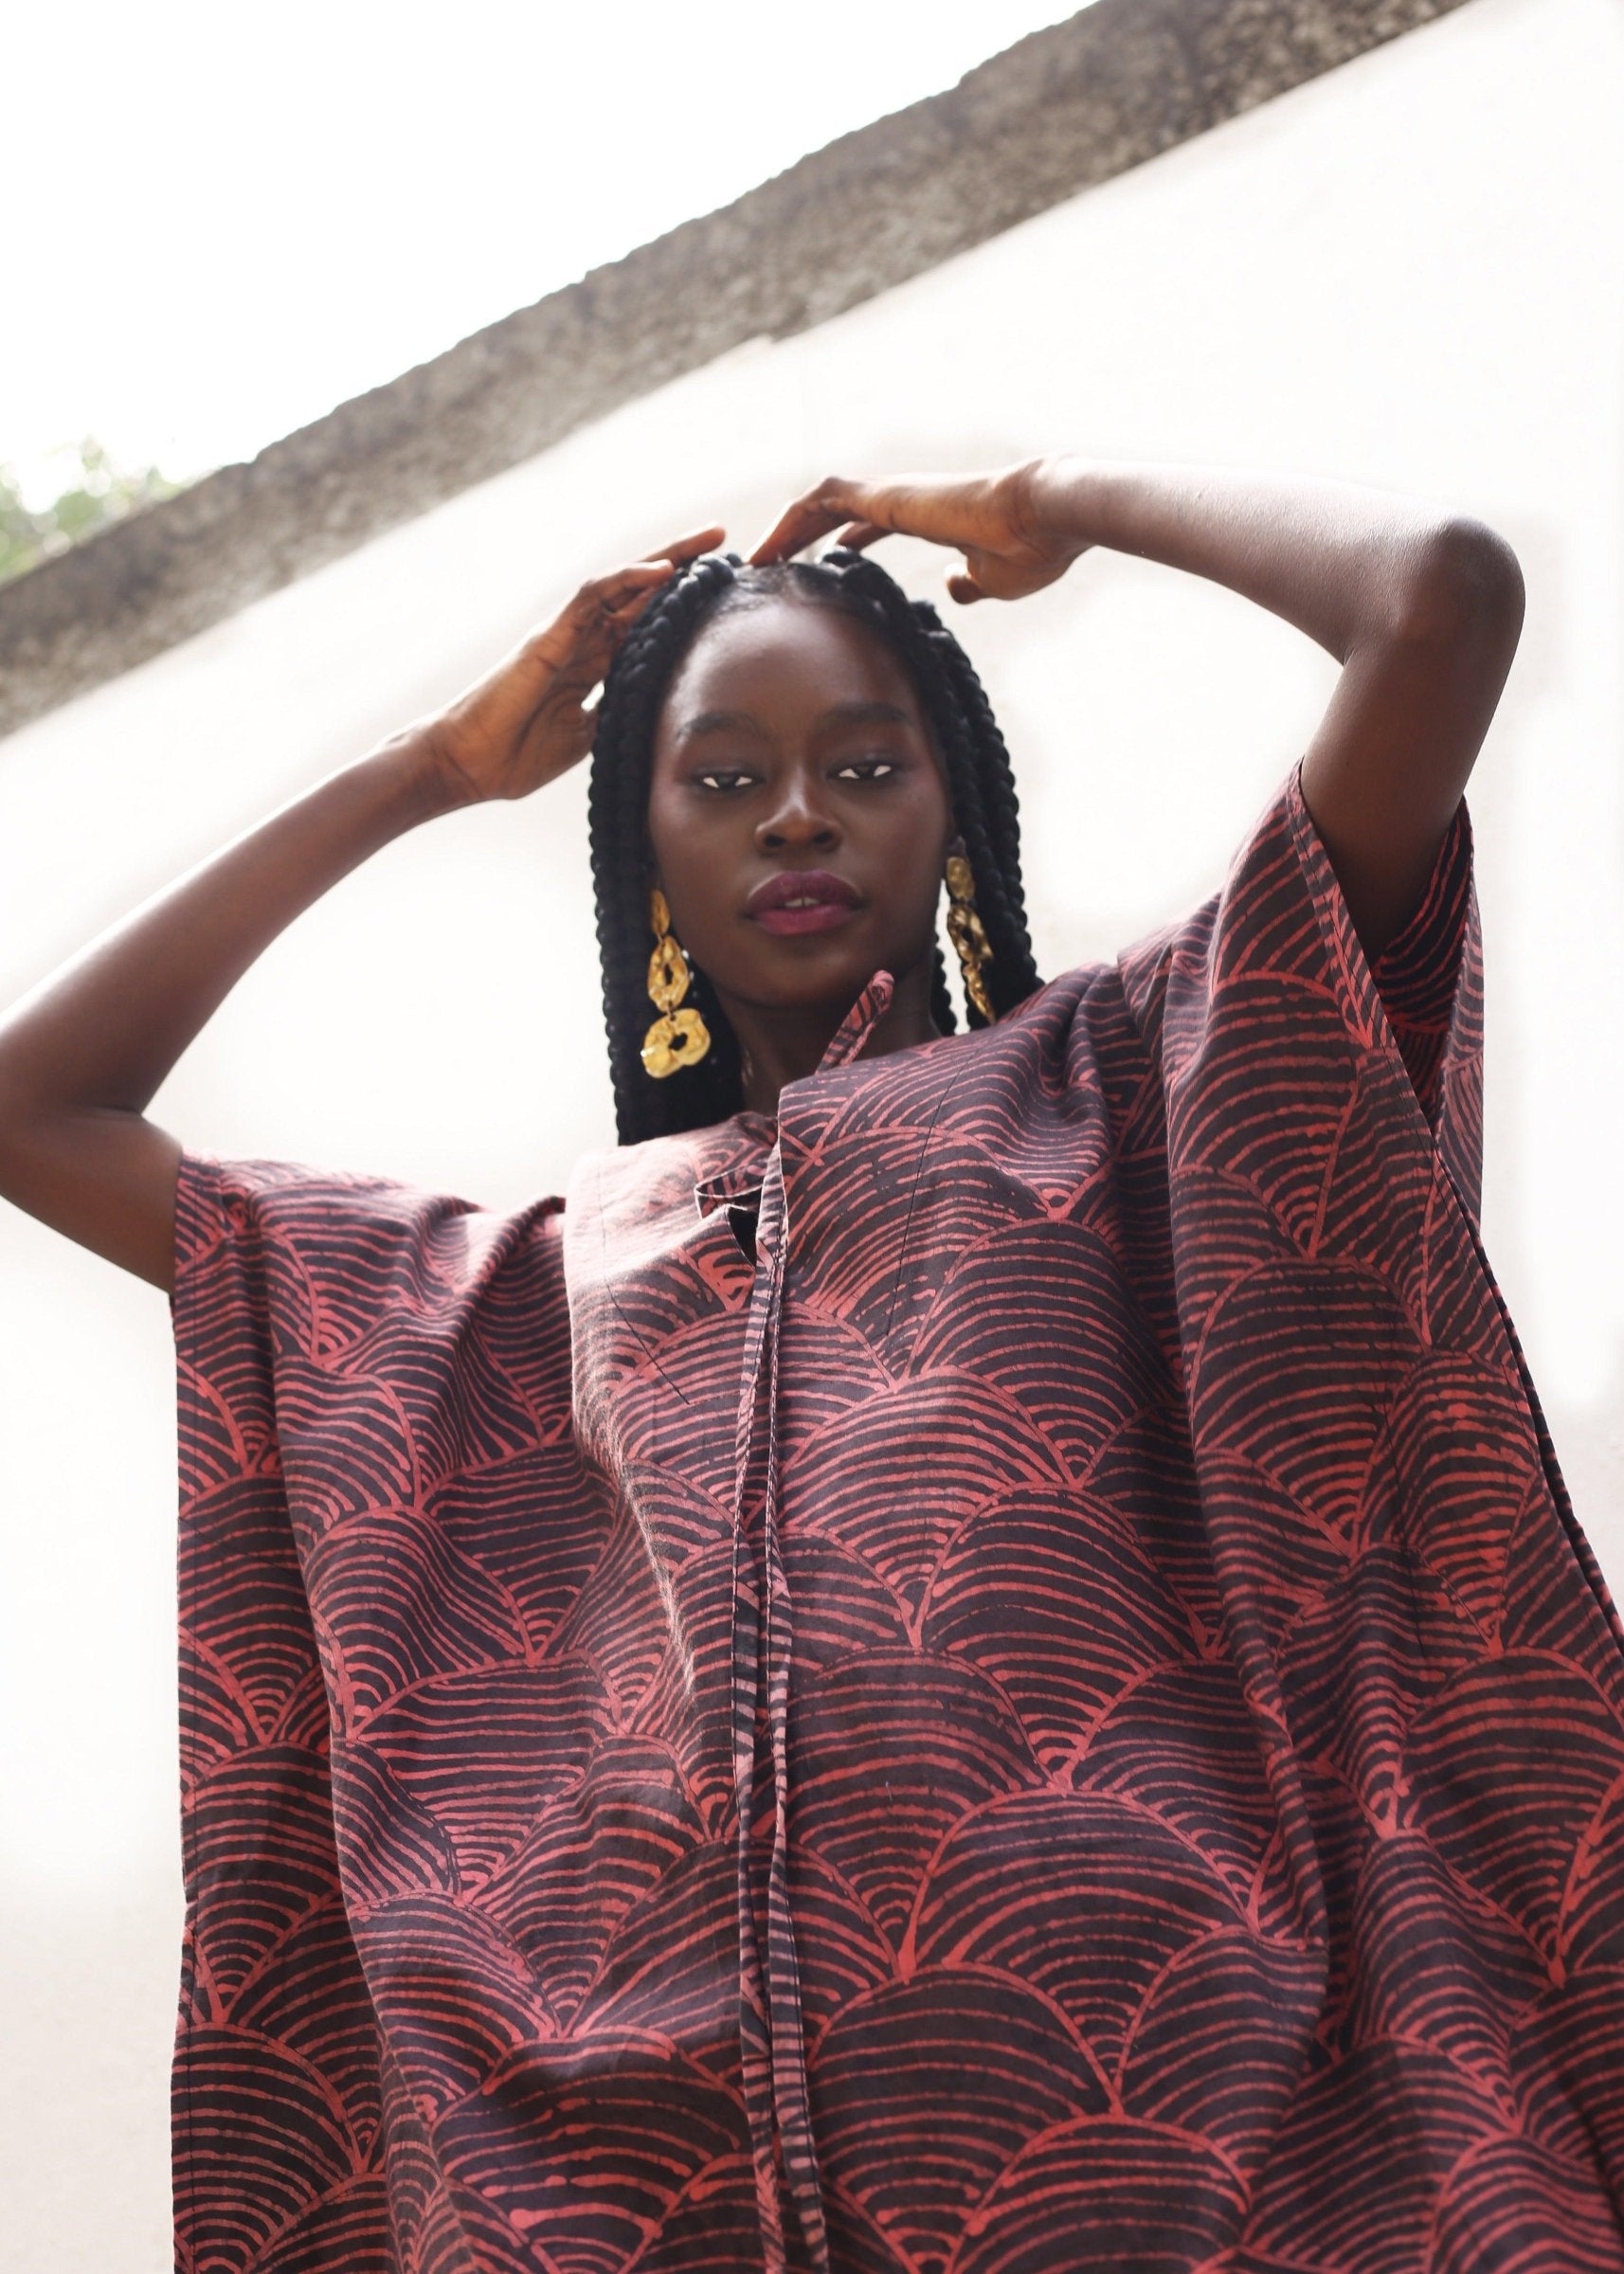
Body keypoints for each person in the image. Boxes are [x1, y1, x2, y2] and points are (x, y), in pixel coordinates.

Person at [1, 457, 1620, 2273]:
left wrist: (1060, 500)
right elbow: (30, 1103)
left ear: (949, 812)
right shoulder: (500, 1293)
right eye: (719, 779)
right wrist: (431, 773)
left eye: (862, 765)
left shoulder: (1156, 1075)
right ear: (645, 854)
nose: (794, 816)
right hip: (642, 2201)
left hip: (1240, 2164)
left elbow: (1441, 599)